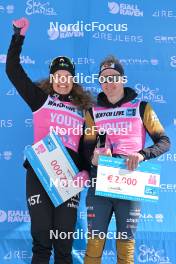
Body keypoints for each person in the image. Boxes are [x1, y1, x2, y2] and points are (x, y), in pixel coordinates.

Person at [6, 17, 92, 264]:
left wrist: (85, 172)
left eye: (67, 75)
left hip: (70, 178)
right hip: (40, 175)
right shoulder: (40, 99)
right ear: (52, 79)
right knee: (42, 241)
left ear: (73, 80)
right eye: (58, 75)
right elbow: (13, 70)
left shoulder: (83, 110)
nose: (63, 79)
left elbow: (89, 148)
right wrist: (18, 36)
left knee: (64, 244)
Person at [83, 55, 171, 264]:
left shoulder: (141, 107)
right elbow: (86, 147)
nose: (109, 83)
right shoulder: (92, 111)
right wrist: (93, 158)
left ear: (122, 79)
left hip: (129, 182)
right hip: (99, 182)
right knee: (94, 245)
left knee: (126, 246)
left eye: (113, 78)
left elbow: (164, 141)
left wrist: (141, 154)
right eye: (104, 79)